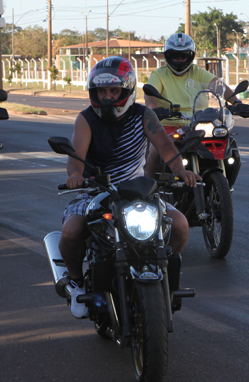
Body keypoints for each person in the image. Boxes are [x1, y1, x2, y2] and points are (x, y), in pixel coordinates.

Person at [59, 56, 198, 318]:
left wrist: (181, 171)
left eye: (114, 91)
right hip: (95, 191)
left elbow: (166, 147)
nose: (108, 97)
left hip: (138, 191)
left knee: (179, 225)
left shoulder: (144, 115)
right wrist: (76, 175)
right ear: (93, 92)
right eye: (102, 91)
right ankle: (77, 283)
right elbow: (76, 157)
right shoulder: (86, 119)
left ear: (127, 91)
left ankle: (164, 277)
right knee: (71, 231)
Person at [143, 33, 239, 176]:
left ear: (191, 56)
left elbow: (218, 86)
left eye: (184, 56)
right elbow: (150, 98)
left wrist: (237, 102)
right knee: (156, 151)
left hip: (197, 123)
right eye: (175, 56)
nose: (179, 60)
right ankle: (148, 187)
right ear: (167, 56)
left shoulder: (197, 72)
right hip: (169, 124)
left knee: (230, 144)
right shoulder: (159, 75)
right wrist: (153, 109)